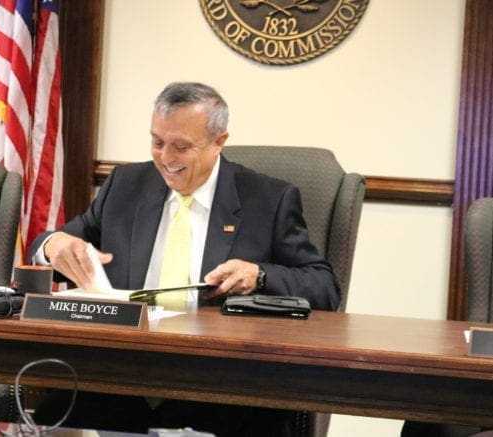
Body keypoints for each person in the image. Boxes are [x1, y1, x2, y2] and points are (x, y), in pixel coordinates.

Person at [29, 82, 340, 436]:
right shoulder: (126, 185)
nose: (165, 158)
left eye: (181, 147)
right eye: (157, 142)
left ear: (219, 141)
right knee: (44, 420)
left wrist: (259, 275)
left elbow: (324, 286)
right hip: (122, 377)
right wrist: (53, 244)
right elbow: (54, 240)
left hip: (221, 385)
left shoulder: (268, 199)